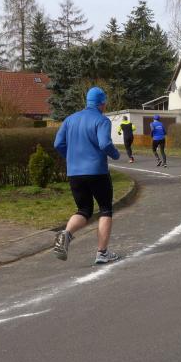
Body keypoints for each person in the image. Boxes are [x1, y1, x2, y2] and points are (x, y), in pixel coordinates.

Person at [53, 86, 122, 265]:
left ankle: (66, 234)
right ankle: (102, 253)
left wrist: (71, 157)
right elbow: (104, 144)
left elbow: (58, 143)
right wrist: (116, 154)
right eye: (105, 103)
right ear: (102, 103)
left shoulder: (70, 119)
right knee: (105, 209)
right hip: (97, 171)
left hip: (74, 173)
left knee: (84, 210)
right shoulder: (102, 120)